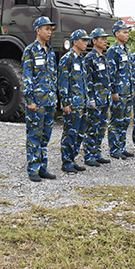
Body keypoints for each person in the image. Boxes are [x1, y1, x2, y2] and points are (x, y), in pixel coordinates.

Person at [22, 15, 58, 182]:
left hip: (49, 101)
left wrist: (55, 98)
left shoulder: (50, 52)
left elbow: (53, 77)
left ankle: (43, 168)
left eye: (50, 29)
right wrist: (30, 101)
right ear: (38, 30)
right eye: (46, 28)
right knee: (34, 137)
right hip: (36, 103)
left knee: (45, 137)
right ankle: (33, 169)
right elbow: (27, 78)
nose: (49, 31)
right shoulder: (30, 51)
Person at [58, 29, 92, 173]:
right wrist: (65, 103)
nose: (86, 43)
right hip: (72, 104)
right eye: (83, 40)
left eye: (87, 40)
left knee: (79, 134)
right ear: (75, 42)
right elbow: (63, 83)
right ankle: (66, 162)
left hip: (82, 104)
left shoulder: (81, 59)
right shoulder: (67, 59)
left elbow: (84, 82)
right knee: (70, 134)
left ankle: (72, 159)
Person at [106, 19, 135, 159]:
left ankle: (122, 146)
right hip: (119, 93)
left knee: (126, 121)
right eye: (124, 32)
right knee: (116, 121)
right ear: (116, 33)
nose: (127, 35)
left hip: (127, 92)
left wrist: (134, 90)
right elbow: (111, 73)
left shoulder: (127, 50)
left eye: (127, 32)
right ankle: (114, 149)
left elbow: (130, 72)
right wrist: (114, 91)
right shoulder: (112, 51)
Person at [83, 27, 112, 167]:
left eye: (106, 38)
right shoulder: (89, 58)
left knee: (101, 128)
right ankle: (89, 155)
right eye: (102, 39)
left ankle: (97, 153)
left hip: (104, 99)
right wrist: (91, 98)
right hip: (96, 99)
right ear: (94, 41)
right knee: (92, 128)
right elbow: (88, 81)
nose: (105, 41)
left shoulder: (103, 57)